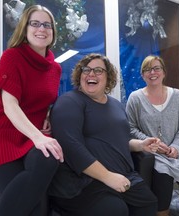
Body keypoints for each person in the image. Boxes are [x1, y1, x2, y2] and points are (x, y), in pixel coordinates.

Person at [0, 5, 63, 216]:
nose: (41, 29)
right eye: (35, 23)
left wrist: (49, 115)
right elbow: (10, 104)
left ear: (53, 31)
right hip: (0, 139)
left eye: (47, 24)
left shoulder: (55, 67)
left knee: (49, 157)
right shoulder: (12, 57)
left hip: (29, 140)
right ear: (25, 28)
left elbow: (44, 98)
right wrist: (39, 138)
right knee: (31, 208)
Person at [48, 53, 158, 216]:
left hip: (122, 176)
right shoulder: (69, 102)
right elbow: (70, 146)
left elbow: (120, 140)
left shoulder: (116, 105)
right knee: (114, 210)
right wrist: (107, 176)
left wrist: (140, 145)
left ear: (109, 77)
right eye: (86, 70)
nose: (91, 74)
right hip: (84, 182)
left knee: (148, 203)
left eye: (98, 70)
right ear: (80, 76)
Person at [125, 55, 179, 216]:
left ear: (164, 72)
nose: (152, 72)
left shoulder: (178, 96)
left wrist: (176, 147)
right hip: (154, 153)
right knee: (162, 180)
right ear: (142, 75)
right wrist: (152, 143)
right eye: (147, 69)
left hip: (178, 153)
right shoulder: (135, 98)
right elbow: (130, 128)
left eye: (156, 68)